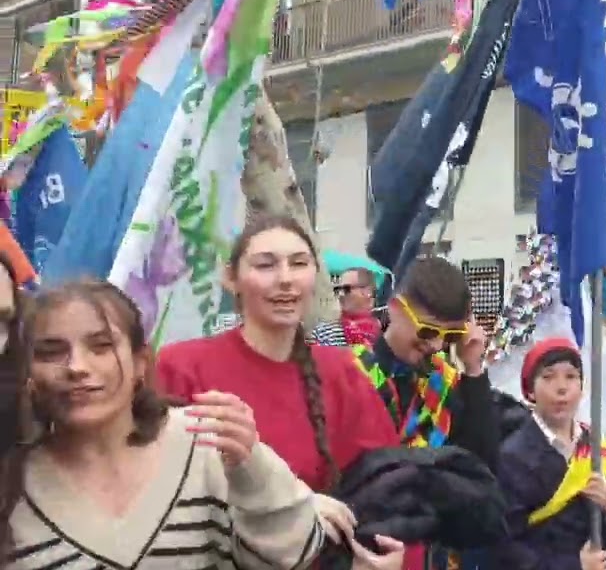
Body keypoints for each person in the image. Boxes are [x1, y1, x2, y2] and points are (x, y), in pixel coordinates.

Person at [1, 280, 326, 569]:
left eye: (101, 346)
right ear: (28, 375)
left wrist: (252, 468)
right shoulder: (12, 488)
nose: (76, 367)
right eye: (50, 352)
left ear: (141, 362)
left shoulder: (206, 444)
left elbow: (292, 554)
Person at [155, 214, 411, 569]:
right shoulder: (179, 368)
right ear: (231, 278)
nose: (285, 279)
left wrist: (390, 559)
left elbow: (392, 493)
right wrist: (296, 506)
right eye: (265, 265)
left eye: (299, 263)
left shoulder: (342, 374)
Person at [495, 337, 606, 570]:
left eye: (571, 377)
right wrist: (574, 565)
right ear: (530, 391)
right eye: (548, 377)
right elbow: (507, 547)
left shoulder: (599, 451)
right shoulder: (513, 456)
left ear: (582, 388)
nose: (561, 387)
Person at [351, 255, 498, 463]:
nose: (437, 345)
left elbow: (483, 464)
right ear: (395, 308)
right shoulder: (349, 373)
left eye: (452, 336)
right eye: (428, 331)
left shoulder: (443, 382)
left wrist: (473, 367)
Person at [337, 267, 383, 347]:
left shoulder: (383, 332)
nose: (341, 294)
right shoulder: (328, 326)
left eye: (346, 289)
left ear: (367, 292)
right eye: (338, 289)